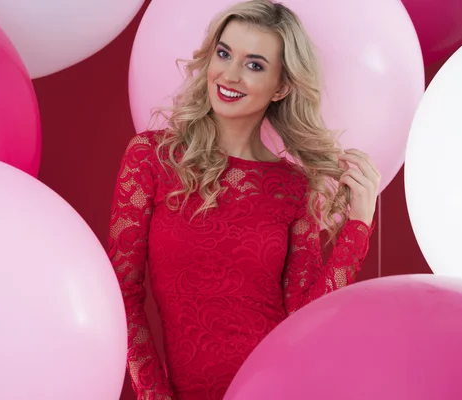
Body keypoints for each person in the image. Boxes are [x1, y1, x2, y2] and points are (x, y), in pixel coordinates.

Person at [108, 0, 381, 399]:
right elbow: (123, 296)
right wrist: (156, 396)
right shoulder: (151, 157)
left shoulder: (293, 187)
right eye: (224, 53)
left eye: (254, 65)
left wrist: (359, 223)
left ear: (282, 87)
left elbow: (304, 319)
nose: (229, 74)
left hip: (278, 387)